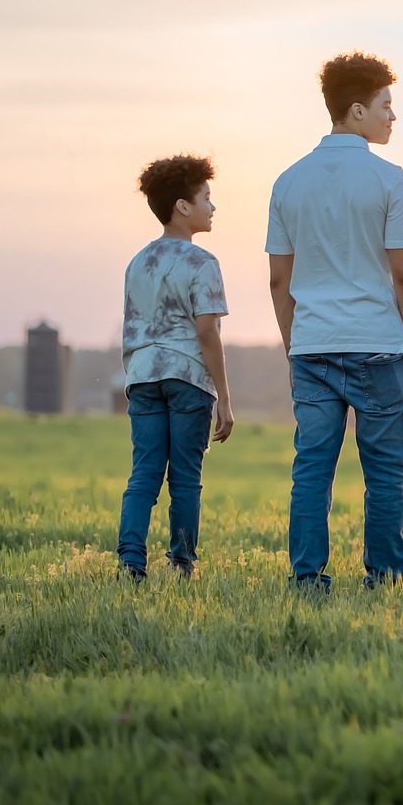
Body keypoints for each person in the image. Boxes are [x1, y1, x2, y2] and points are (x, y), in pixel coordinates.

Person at [267, 53, 403, 592]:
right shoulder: (390, 179)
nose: (393, 117)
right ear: (357, 111)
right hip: (379, 349)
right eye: (386, 106)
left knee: (311, 470)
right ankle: (384, 578)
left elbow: (278, 281)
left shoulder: (287, 182)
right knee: (385, 474)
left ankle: (308, 577)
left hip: (312, 347)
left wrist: (296, 344)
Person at [116, 154, 234, 581]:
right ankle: (182, 564)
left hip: (143, 375)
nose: (212, 206)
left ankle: (130, 561)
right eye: (206, 197)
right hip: (188, 378)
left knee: (144, 471)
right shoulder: (202, 262)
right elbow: (207, 333)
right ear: (183, 207)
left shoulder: (137, 262)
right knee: (185, 476)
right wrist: (223, 395)